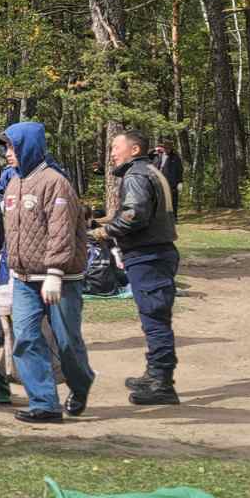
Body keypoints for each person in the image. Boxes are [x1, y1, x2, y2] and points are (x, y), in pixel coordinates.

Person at [0, 123, 95, 424]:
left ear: (28, 147)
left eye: (12, 147)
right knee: (26, 339)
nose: (7, 154)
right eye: (5, 148)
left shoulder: (55, 182)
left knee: (66, 342)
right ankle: (45, 404)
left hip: (60, 279)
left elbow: (61, 231)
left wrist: (55, 271)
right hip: (25, 279)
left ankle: (81, 383)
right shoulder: (13, 183)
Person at [96, 129, 181, 406]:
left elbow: (135, 215)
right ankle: (154, 373)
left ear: (134, 150)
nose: (111, 153)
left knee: (155, 319)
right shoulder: (150, 171)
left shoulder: (136, 175)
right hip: (156, 253)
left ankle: (162, 383)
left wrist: (104, 232)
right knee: (154, 317)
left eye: (115, 148)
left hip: (149, 255)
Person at [153, 142, 185, 219]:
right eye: (165, 148)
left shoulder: (175, 158)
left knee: (173, 200)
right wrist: (155, 149)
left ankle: (174, 217)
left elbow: (180, 170)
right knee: (159, 199)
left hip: (172, 182)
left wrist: (180, 182)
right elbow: (148, 155)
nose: (167, 150)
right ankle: (160, 217)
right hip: (159, 181)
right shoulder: (158, 156)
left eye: (168, 148)